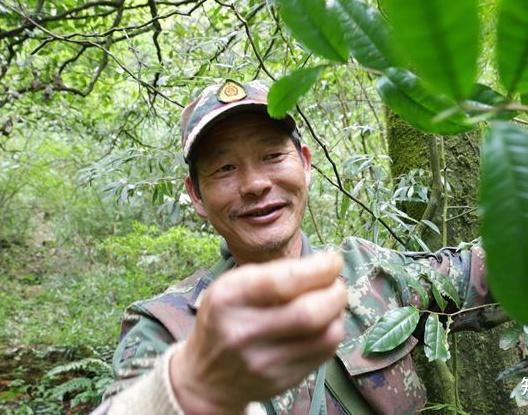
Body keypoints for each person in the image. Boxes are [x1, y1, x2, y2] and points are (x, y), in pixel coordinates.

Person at [92, 80, 504, 415]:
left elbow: (488, 272)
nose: (254, 184)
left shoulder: (371, 271)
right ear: (196, 195)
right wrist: (190, 383)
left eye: (272, 156)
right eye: (225, 168)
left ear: (305, 164)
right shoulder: (169, 324)